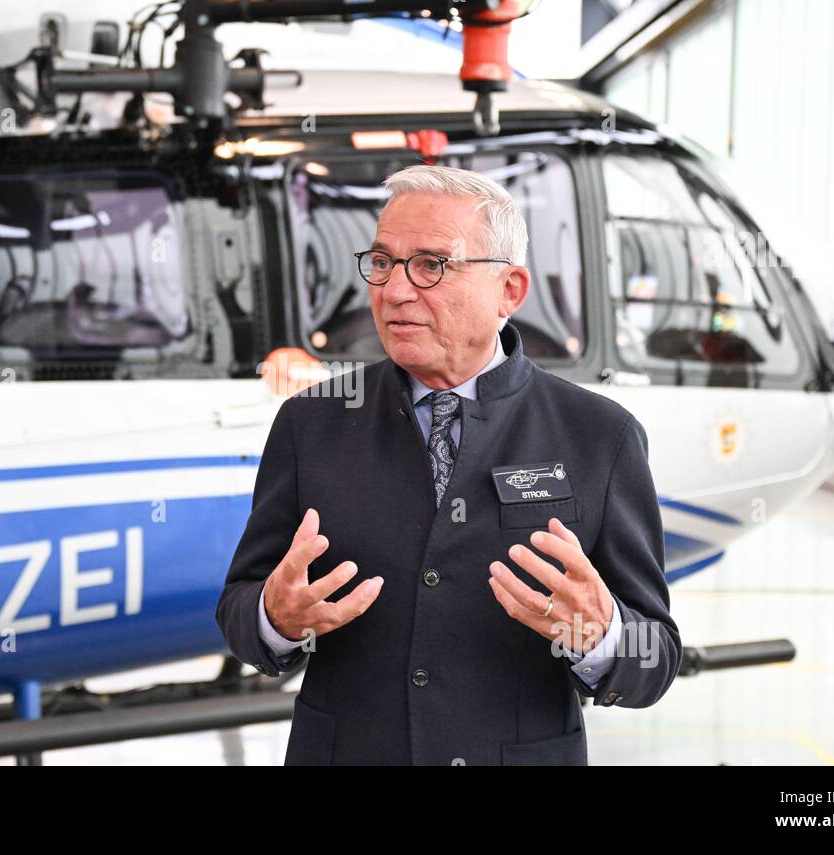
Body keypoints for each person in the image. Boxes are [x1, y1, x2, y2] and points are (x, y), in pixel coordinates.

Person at [214, 164, 680, 765]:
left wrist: (603, 633)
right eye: (382, 263)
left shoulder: (599, 436)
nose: (395, 291)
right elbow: (239, 610)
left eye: (432, 265)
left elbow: (655, 659)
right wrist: (274, 619)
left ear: (509, 290)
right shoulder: (313, 424)